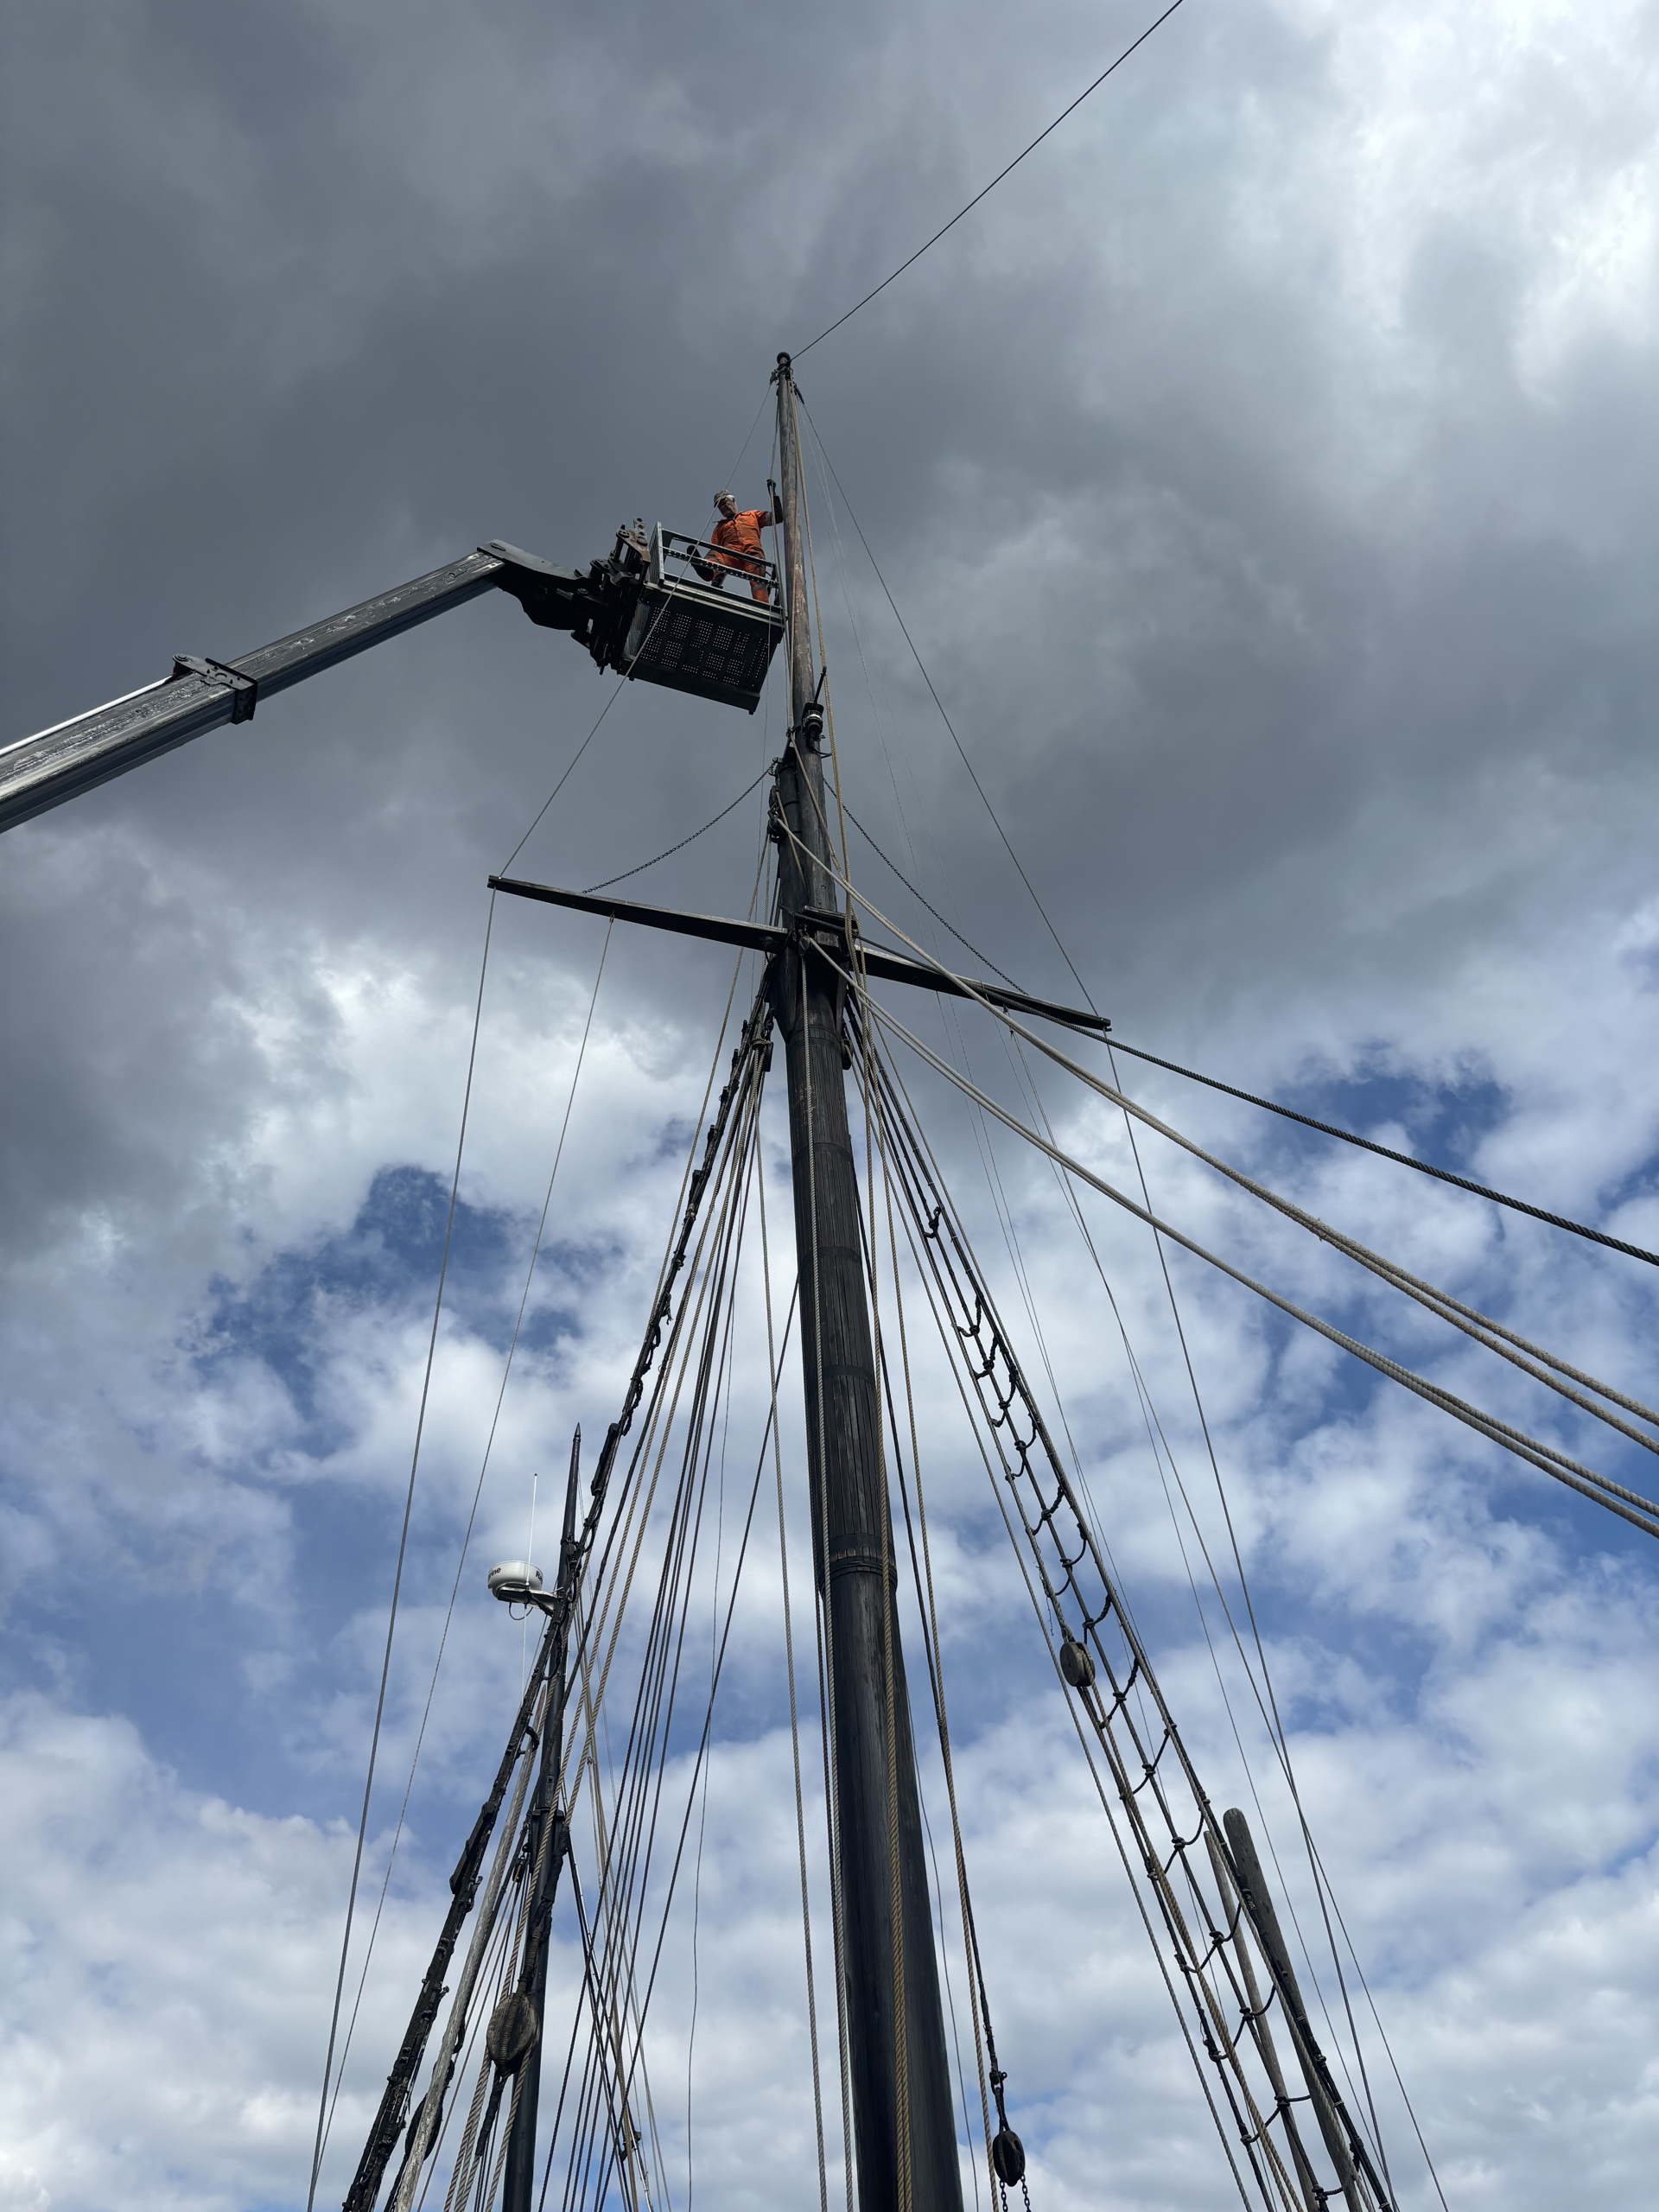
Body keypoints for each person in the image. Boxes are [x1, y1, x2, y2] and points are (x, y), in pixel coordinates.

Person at [697, 484, 784, 601]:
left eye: (724, 503)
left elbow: (777, 517)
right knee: (715, 554)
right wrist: (717, 580)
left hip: (752, 554)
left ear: (733, 501)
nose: (722, 507)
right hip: (731, 554)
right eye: (719, 506)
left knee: (757, 582)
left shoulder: (752, 515)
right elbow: (717, 552)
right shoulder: (719, 527)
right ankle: (706, 570)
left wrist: (773, 496)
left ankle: (761, 605)